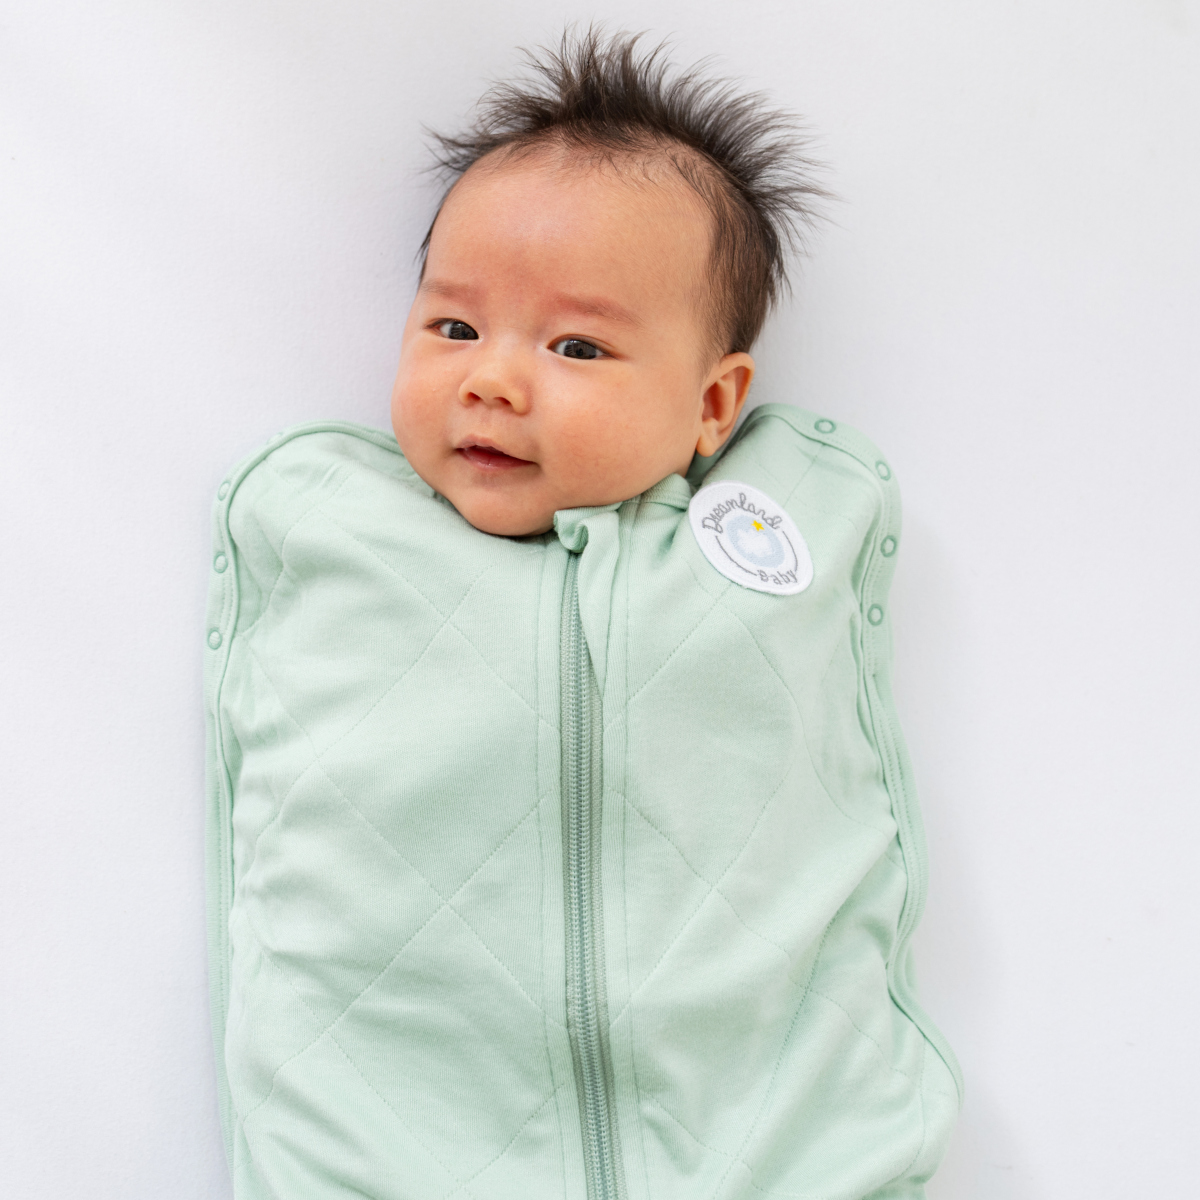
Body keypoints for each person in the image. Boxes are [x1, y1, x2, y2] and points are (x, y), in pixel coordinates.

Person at [204, 28, 961, 1199]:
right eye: (454, 327)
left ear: (712, 405)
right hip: (391, 1145)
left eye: (576, 344)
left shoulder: (777, 539)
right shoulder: (339, 534)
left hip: (766, 1150)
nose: (491, 379)